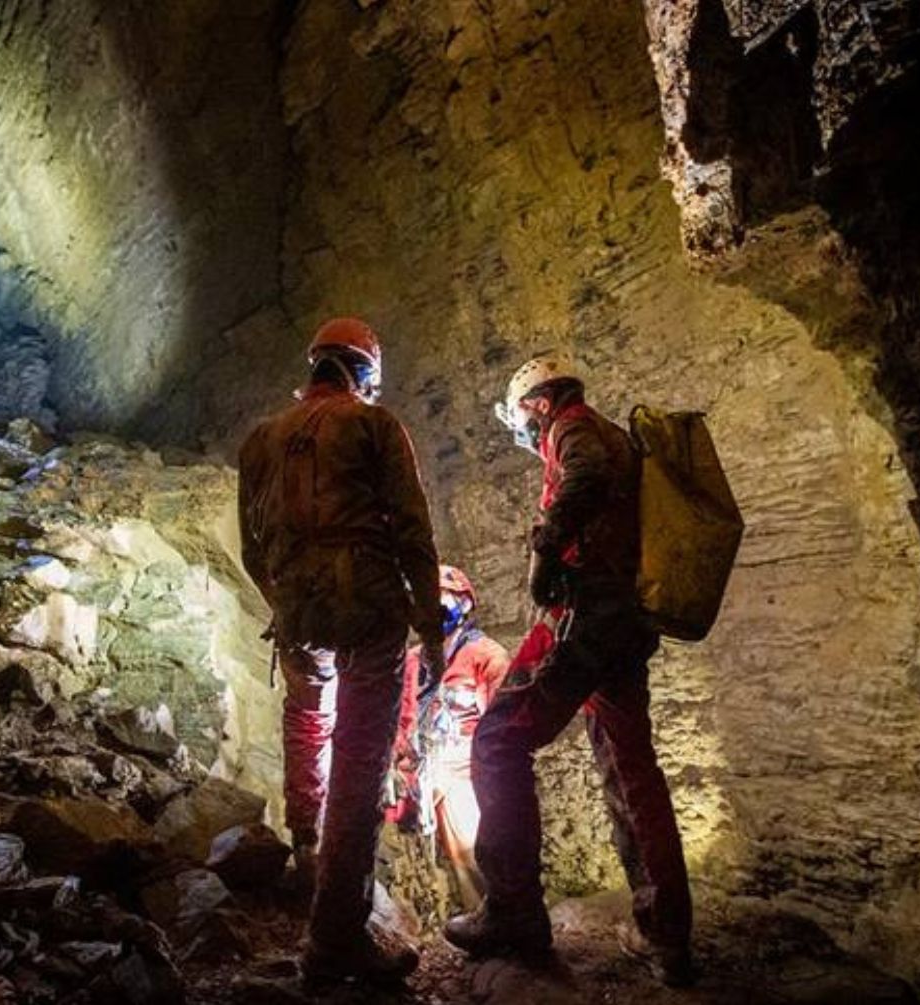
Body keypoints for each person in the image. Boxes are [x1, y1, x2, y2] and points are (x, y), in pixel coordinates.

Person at [445, 352, 698, 986]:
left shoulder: (573, 427)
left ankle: (514, 915)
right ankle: (666, 935)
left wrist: (544, 548)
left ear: (535, 403)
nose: (527, 436)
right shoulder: (613, 432)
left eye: (522, 422)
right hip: (625, 623)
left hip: (582, 619)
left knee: (498, 740)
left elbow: (580, 477)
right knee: (631, 766)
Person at [236, 316, 445, 984]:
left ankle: (304, 841)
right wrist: (432, 624)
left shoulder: (261, 438)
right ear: (365, 374)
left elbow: (250, 547)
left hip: (299, 610)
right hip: (367, 608)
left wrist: (283, 603)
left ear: (316, 366)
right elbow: (413, 531)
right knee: (360, 761)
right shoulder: (373, 426)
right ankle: (335, 940)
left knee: (306, 717)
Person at [384, 564, 512, 909]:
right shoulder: (412, 660)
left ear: (464, 604)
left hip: (464, 773)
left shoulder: (486, 656)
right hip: (420, 772)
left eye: (440, 600)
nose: (432, 610)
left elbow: (501, 727)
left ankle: (493, 914)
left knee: (471, 850)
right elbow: (399, 715)